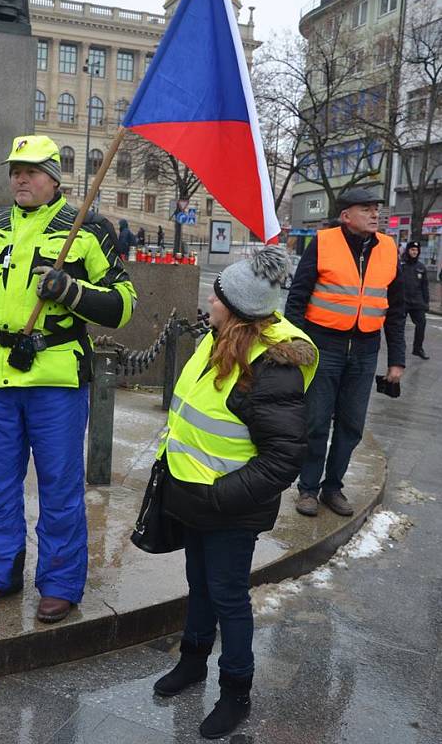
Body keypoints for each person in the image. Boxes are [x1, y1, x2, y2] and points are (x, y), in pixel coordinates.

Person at [0, 135, 136, 623]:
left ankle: (60, 583)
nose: (20, 178)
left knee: (59, 487)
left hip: (57, 383)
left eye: (31, 170)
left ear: (54, 177)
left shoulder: (87, 228)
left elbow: (123, 305)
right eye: (15, 169)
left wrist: (72, 292)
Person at [152, 247, 318, 739]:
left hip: (228, 506)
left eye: (217, 294)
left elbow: (285, 457)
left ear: (239, 308)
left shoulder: (271, 367)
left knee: (228, 596)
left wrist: (222, 497)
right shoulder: (219, 339)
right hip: (195, 497)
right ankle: (193, 663)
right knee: (200, 585)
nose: (209, 298)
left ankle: (235, 692)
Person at [285, 186, 405, 518]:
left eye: (376, 208)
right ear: (346, 215)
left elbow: (397, 309)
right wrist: (296, 342)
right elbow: (297, 298)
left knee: (351, 424)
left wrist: (397, 360)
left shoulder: (388, 249)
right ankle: (308, 488)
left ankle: (332, 487)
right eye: (366, 208)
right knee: (316, 422)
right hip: (324, 346)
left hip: (366, 349)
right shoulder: (323, 243)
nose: (374, 214)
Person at [401, 241, 430, 360]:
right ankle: (399, 349)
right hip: (402, 301)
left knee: (421, 324)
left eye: (416, 250)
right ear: (408, 250)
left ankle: (418, 348)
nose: (414, 252)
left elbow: (425, 286)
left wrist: (426, 303)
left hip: (417, 302)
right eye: (412, 250)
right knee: (399, 327)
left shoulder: (421, 267)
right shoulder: (401, 265)